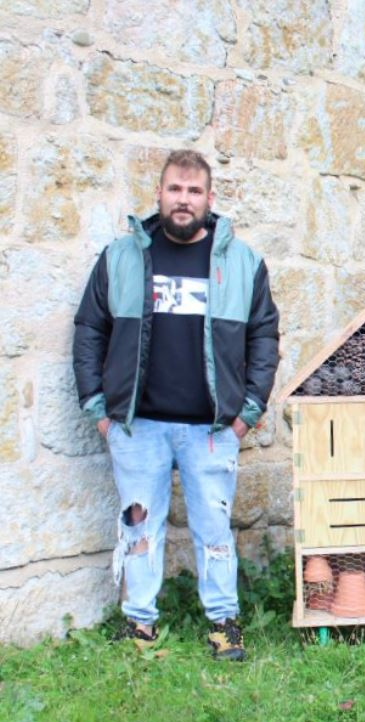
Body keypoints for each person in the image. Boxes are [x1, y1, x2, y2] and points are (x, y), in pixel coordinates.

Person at [73, 149, 280, 661]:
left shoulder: (242, 262)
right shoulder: (121, 258)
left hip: (211, 430)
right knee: (139, 526)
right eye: (174, 190)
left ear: (210, 199)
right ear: (159, 195)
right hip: (137, 425)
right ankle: (140, 623)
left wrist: (245, 415)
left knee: (214, 529)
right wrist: (100, 410)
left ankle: (224, 624)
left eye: (193, 192)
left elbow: (265, 339)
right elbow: (89, 330)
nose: (183, 200)